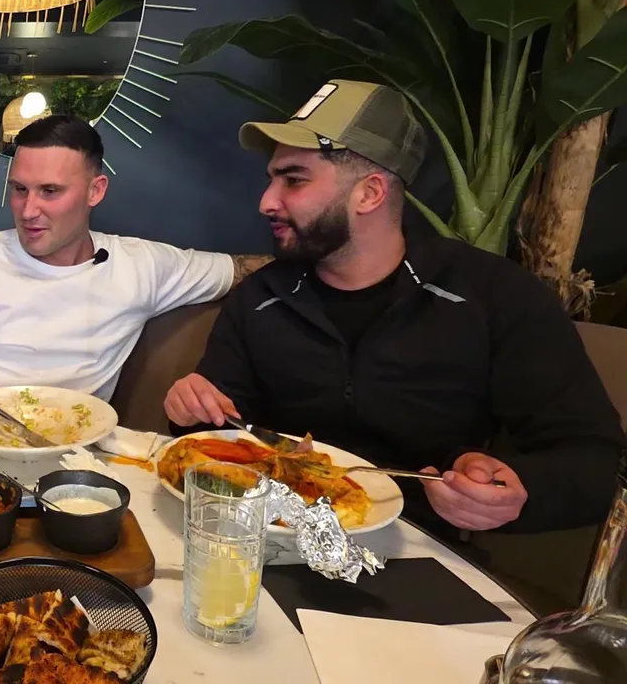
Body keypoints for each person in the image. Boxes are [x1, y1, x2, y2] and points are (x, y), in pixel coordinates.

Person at [165, 79, 625, 535]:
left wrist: (516, 491)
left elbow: (595, 462)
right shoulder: (260, 297)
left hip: (419, 550)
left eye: (294, 180)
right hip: (261, 533)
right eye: (272, 180)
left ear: (369, 193)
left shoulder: (495, 296)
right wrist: (188, 410)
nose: (267, 201)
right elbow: (219, 427)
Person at [0, 114, 272, 401]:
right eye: (19, 189)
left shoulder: (141, 265)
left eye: (49, 191)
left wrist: (305, 267)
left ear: (95, 191)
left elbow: (238, 269)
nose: (28, 210)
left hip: (64, 458)